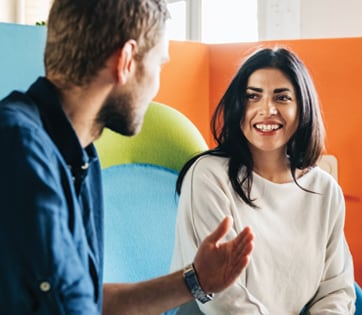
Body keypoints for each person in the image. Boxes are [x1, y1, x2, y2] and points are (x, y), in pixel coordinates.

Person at [0, 0, 254, 314]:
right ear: (126, 61)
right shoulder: (19, 149)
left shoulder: (80, 157)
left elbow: (85, 301)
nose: (156, 85)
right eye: (159, 64)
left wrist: (196, 281)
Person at [170, 47, 356, 314]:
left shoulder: (324, 190)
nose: (267, 109)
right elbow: (222, 298)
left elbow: (336, 290)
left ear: (302, 108)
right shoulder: (208, 176)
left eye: (282, 97)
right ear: (237, 106)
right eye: (252, 97)